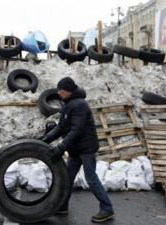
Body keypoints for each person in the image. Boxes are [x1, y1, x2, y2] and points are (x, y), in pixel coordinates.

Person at [41, 77, 114, 223]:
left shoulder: (80, 105)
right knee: (67, 178)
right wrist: (45, 139)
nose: (59, 94)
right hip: (75, 149)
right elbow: (62, 126)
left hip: (86, 149)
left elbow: (76, 130)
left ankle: (107, 209)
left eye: (61, 91)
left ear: (68, 91)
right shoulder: (68, 104)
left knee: (91, 179)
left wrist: (61, 147)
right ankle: (62, 206)